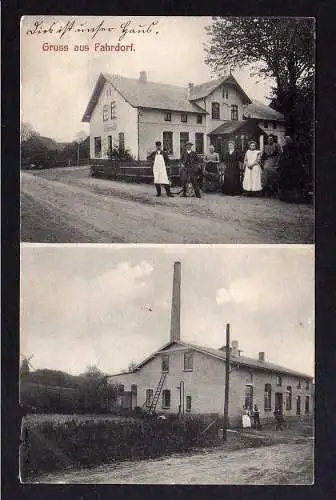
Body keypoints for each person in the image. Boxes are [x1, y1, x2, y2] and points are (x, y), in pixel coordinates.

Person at [278, 136, 305, 202]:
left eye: (286, 140)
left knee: (291, 183)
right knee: (284, 182)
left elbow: (296, 157)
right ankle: (285, 197)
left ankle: (291, 198)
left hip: (292, 167)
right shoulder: (284, 147)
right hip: (285, 167)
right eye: (285, 140)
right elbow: (283, 156)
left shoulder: (294, 148)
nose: (285, 141)